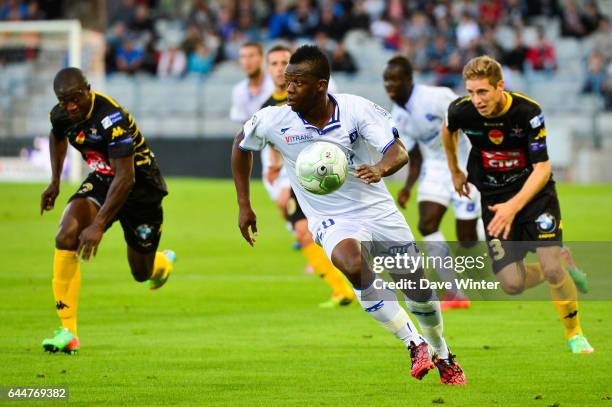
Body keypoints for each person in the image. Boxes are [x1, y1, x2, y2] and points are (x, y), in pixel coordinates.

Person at [232, 45, 466, 385]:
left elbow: (397, 152)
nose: (289, 89)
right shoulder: (274, 119)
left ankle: (442, 352)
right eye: (287, 81)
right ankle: (413, 343)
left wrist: (380, 168)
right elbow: (241, 145)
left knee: (417, 289)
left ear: (321, 85)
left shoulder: (356, 109)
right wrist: (244, 203)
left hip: (377, 210)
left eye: (298, 82)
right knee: (352, 264)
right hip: (332, 219)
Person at [441, 55, 593, 354]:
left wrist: (515, 205)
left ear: (500, 86)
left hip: (536, 197)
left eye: (482, 91)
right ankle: (562, 264)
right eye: (471, 92)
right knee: (511, 284)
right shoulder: (461, 111)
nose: (477, 99)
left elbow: (542, 169)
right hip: (495, 200)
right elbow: (448, 130)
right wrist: (455, 170)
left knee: (550, 270)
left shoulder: (528, 112)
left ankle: (574, 332)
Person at [40, 67, 174, 354]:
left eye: (76, 98)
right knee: (66, 235)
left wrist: (99, 224)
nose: (72, 106)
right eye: (65, 101)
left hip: (141, 189)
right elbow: (57, 135)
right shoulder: (61, 113)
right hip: (102, 180)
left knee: (141, 273)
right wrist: (54, 182)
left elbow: (125, 178)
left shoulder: (110, 118)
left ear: (88, 90)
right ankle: (67, 331)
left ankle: (162, 264)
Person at [383, 55, 483, 310]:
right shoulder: (398, 117)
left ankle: (491, 232)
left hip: (464, 165)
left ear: (408, 80)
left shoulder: (437, 97)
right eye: (386, 81)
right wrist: (407, 187)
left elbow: (469, 118)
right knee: (427, 224)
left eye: (395, 80)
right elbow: (413, 155)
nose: (390, 86)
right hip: (436, 170)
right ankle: (454, 292)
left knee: (468, 240)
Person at [260, 44, 354, 308]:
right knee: (303, 230)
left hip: (320, 169)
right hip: (297, 174)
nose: (279, 69)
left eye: (283, 62)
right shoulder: (268, 105)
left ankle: (346, 285)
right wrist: (275, 163)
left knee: (307, 230)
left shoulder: (311, 95)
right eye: (274, 64)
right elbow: (272, 137)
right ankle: (342, 288)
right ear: (269, 69)